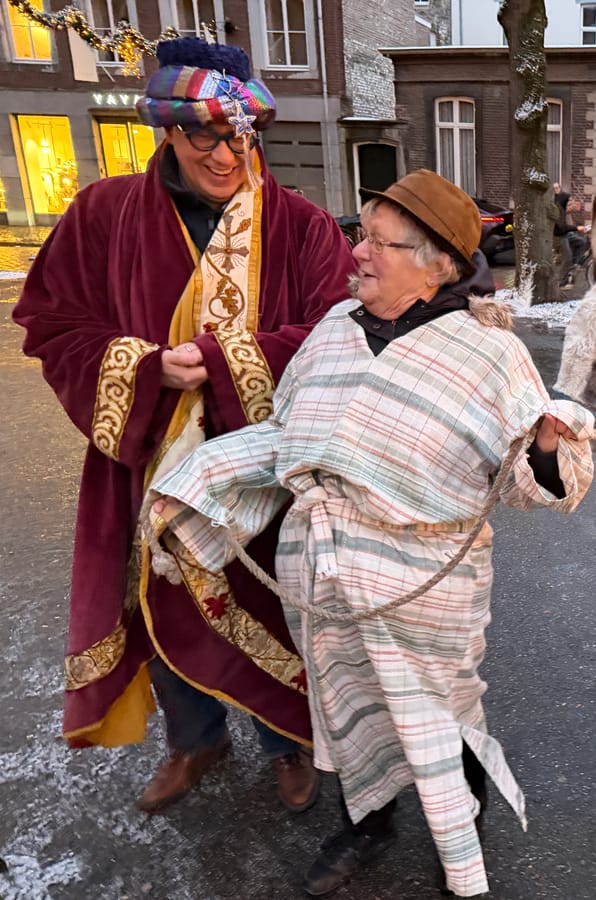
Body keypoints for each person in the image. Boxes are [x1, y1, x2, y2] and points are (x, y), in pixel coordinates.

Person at [146, 169, 596, 897]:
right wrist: (196, 483)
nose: (357, 252)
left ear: (436, 265)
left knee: (443, 710)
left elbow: (528, 485)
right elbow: (289, 436)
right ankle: (367, 823)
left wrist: (546, 448)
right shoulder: (334, 329)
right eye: (361, 235)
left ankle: (462, 826)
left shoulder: (489, 354)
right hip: (323, 576)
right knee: (345, 706)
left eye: (379, 243)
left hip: (427, 589)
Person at [12, 37, 356, 815]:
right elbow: (51, 321)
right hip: (148, 458)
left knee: (270, 602)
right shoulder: (102, 215)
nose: (227, 156)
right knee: (159, 590)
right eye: (205, 137)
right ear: (167, 130)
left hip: (259, 467)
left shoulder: (301, 225)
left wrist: (227, 360)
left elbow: (338, 333)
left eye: (241, 137)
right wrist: (142, 368)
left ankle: (288, 741)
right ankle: (195, 740)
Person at [553, 182, 588, 286]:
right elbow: (561, 227)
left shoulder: (562, 204)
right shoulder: (556, 209)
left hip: (566, 232)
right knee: (567, 257)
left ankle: (572, 267)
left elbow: (571, 208)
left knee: (582, 242)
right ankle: (561, 282)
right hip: (558, 235)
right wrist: (577, 228)